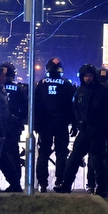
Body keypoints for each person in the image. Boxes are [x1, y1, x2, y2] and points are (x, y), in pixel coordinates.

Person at [61, 64, 108, 196]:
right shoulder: (80, 91)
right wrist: (77, 122)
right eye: (85, 76)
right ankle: (66, 185)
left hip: (98, 131)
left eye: (90, 76)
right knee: (74, 158)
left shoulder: (104, 91)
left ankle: (102, 189)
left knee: (98, 161)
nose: (88, 78)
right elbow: (75, 108)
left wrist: (105, 124)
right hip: (84, 130)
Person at [33, 58, 75, 192]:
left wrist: (36, 124)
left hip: (45, 124)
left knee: (44, 153)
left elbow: (35, 105)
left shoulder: (41, 84)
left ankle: (42, 183)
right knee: (61, 153)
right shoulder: (67, 84)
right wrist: (74, 123)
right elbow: (73, 106)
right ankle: (60, 180)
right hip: (61, 123)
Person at [0, 62, 28, 192]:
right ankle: (16, 182)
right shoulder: (19, 88)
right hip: (14, 126)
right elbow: (25, 107)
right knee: (13, 154)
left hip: (0, 125)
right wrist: (19, 119)